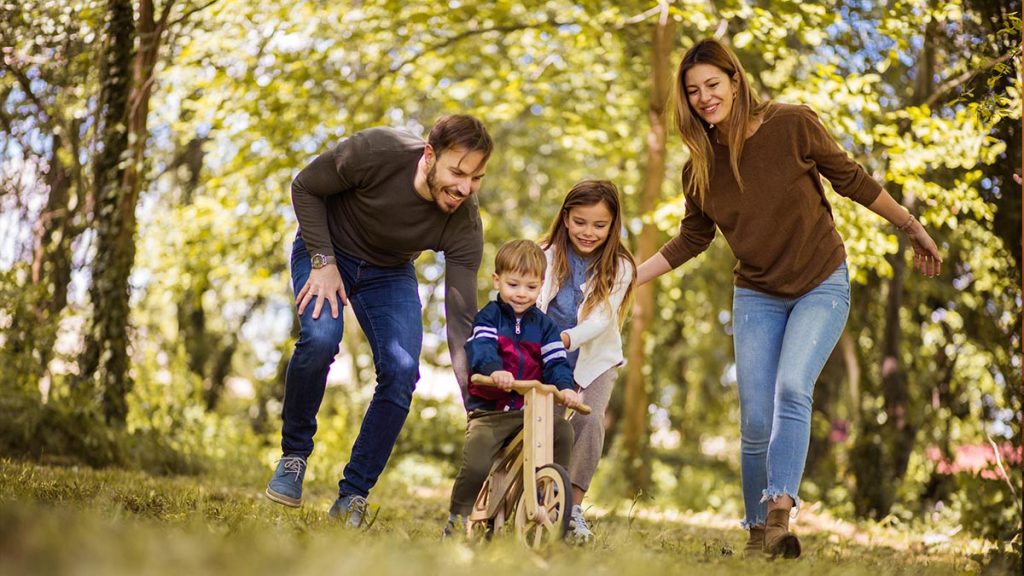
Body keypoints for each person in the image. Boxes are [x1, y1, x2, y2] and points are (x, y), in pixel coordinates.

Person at [635, 39, 942, 559]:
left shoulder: (792, 123)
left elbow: (852, 180)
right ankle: (759, 536)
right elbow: (692, 238)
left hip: (820, 281)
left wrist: (911, 226)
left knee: (792, 388)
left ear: (735, 80)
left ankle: (779, 515)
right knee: (754, 419)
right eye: (693, 92)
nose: (705, 97)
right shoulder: (699, 169)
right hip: (757, 293)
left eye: (713, 84)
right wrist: (627, 278)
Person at [265, 115, 493, 528]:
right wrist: (322, 262)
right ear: (429, 156)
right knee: (320, 337)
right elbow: (305, 186)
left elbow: (461, 320)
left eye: (476, 178)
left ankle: (352, 495)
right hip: (325, 248)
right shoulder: (377, 151)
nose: (465, 188)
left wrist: (477, 406)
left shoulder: (464, 221)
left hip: (388, 273)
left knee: (403, 370)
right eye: (457, 172)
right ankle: (294, 456)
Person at [443, 239, 583, 536]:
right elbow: (481, 349)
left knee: (563, 430)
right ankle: (458, 517)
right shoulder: (489, 317)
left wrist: (565, 388)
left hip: (529, 412)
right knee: (477, 462)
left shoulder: (545, 327)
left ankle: (548, 498)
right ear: (497, 280)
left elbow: (556, 362)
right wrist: (495, 371)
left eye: (531, 288)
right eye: (513, 284)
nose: (521, 294)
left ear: (541, 286)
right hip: (491, 412)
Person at [535, 180, 636, 544]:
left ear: (613, 226)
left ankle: (572, 508)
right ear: (565, 218)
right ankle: (540, 498)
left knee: (588, 426)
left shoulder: (621, 266)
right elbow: (526, 298)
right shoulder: (544, 254)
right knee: (542, 426)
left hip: (595, 359)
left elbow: (602, 319)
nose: (588, 232)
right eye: (580, 222)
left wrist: (564, 338)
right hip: (544, 357)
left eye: (599, 225)